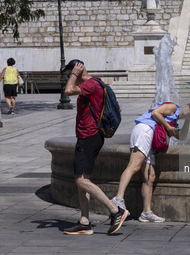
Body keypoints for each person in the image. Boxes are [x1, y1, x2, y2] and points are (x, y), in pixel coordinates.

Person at [62, 59, 128, 235]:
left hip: (89, 136)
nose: (70, 78)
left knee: (80, 180)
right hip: (88, 136)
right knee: (83, 180)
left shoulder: (91, 84)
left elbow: (68, 91)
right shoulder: (91, 84)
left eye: (70, 75)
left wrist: (74, 74)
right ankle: (84, 222)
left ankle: (115, 211)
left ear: (77, 70)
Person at [111, 101, 190, 223]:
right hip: (145, 131)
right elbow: (156, 113)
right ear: (186, 105)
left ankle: (146, 212)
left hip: (151, 139)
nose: (189, 112)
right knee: (134, 166)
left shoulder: (174, 120)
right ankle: (118, 198)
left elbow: (182, 136)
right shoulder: (173, 107)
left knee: (150, 177)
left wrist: (187, 120)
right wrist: (167, 127)